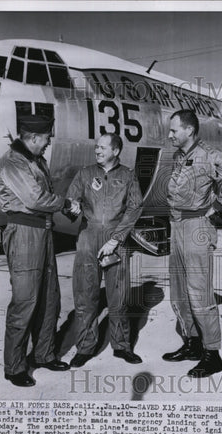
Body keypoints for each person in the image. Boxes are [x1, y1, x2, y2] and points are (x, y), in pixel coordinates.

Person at [163, 109, 222, 377]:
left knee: (199, 294)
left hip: (197, 227)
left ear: (189, 130)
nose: (170, 134)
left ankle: (213, 355)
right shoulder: (180, 156)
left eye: (174, 130)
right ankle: (193, 343)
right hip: (176, 226)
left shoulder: (210, 155)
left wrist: (218, 206)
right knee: (179, 292)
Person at [0, 114, 77, 387]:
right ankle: (15, 366)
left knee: (48, 298)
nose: (48, 143)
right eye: (46, 139)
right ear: (33, 138)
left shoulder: (35, 160)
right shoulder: (13, 162)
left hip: (43, 231)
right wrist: (65, 204)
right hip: (24, 234)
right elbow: (34, 198)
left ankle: (43, 354)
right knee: (25, 301)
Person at [64, 133, 143, 367]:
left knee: (118, 297)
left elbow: (135, 208)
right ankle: (86, 347)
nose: (97, 150)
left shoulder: (128, 176)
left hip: (115, 239)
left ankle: (122, 346)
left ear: (115, 151)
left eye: (102, 147)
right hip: (88, 236)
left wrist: (116, 239)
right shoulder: (85, 173)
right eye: (96, 147)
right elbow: (70, 201)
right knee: (85, 295)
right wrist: (72, 208)